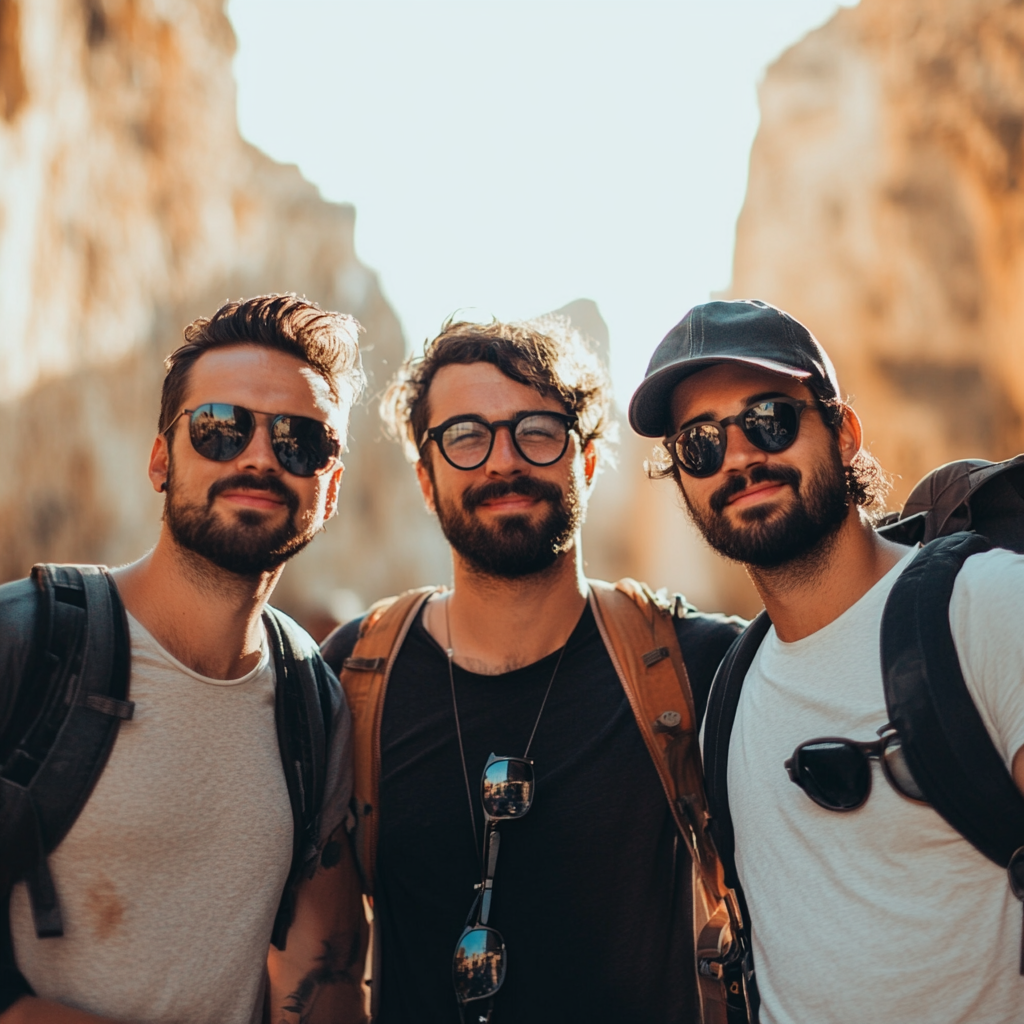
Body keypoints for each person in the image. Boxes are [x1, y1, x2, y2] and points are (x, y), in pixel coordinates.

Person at [321, 316, 745, 1024]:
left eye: (537, 430)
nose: (501, 461)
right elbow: (312, 953)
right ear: (426, 480)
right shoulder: (355, 673)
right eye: (465, 436)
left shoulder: (694, 666)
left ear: (584, 460)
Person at [627, 298, 1024, 1024]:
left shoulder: (988, 607)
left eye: (769, 419)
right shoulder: (730, 701)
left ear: (843, 433)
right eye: (700, 444)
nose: (740, 456)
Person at [0, 295, 369, 1024]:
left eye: (300, 441)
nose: (260, 456)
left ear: (328, 486)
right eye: (221, 429)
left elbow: (323, 973)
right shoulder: (26, 642)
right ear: (161, 458)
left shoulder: (309, 700)